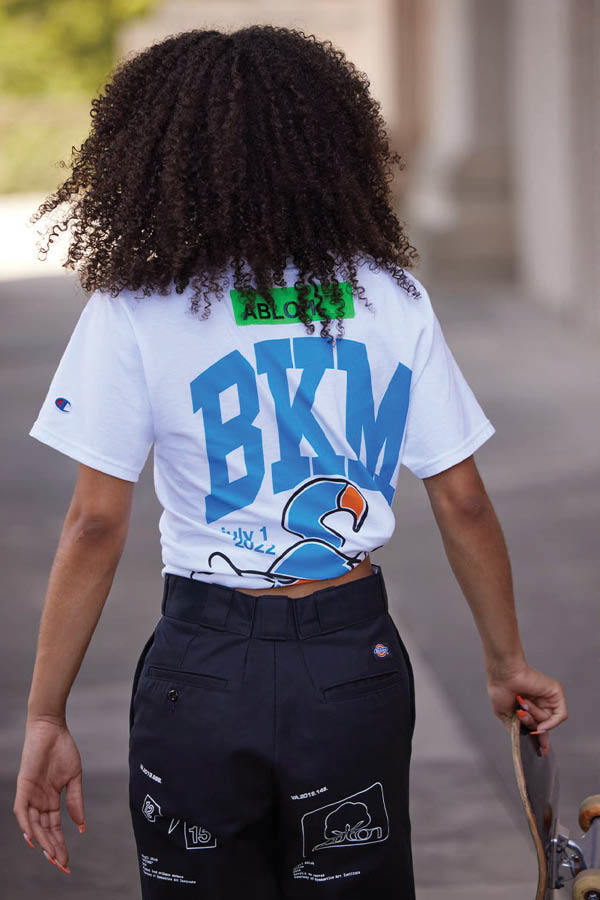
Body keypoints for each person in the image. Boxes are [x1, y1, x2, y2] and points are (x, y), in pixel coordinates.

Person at [13, 23, 567, 898]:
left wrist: (47, 714)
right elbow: (460, 499)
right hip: (350, 658)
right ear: (332, 149)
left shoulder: (136, 308)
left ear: (157, 157)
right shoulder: (388, 298)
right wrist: (507, 665)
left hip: (201, 664)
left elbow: (94, 524)